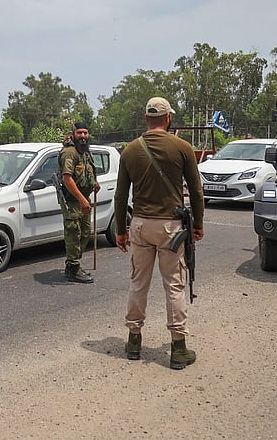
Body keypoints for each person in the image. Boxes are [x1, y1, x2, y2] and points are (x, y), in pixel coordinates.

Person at [113, 97, 204, 370]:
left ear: (146, 118)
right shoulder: (182, 147)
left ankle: (133, 341)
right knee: (174, 285)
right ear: (167, 118)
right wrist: (198, 224)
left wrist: (120, 230)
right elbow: (197, 192)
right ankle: (178, 348)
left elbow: (120, 196)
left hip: (140, 225)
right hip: (171, 227)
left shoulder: (129, 151)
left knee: (138, 283)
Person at [57, 122, 100, 283]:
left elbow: (87, 171)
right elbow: (67, 178)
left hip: (84, 199)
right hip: (72, 200)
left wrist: (94, 182)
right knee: (73, 234)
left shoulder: (85, 152)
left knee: (85, 233)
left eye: (85, 133)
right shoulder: (69, 152)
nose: (83, 136)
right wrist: (82, 200)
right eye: (79, 133)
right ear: (73, 134)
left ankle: (72, 263)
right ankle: (73, 268)